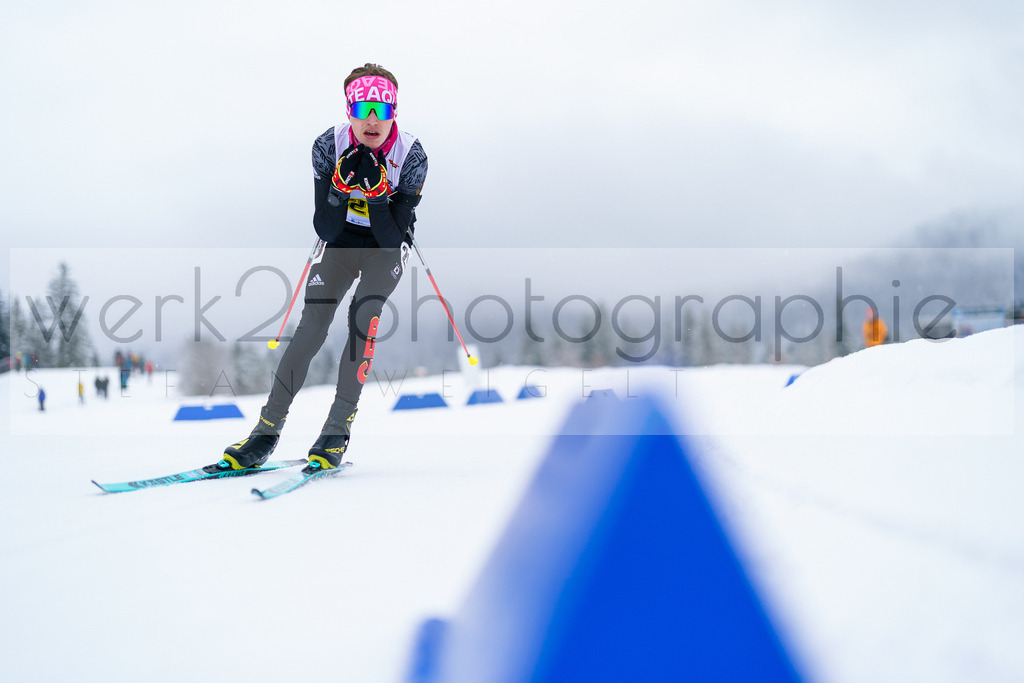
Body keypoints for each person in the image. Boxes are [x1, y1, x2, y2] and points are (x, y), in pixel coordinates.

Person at [222, 63, 427, 472]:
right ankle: (265, 431)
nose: (372, 119)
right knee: (311, 327)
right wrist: (337, 188)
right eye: (364, 107)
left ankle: (336, 431)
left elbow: (391, 236)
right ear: (349, 109)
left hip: (385, 248)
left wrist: (375, 195)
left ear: (394, 113)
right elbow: (325, 225)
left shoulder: (413, 156)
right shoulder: (327, 146)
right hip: (340, 241)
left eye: (382, 110)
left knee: (364, 315)